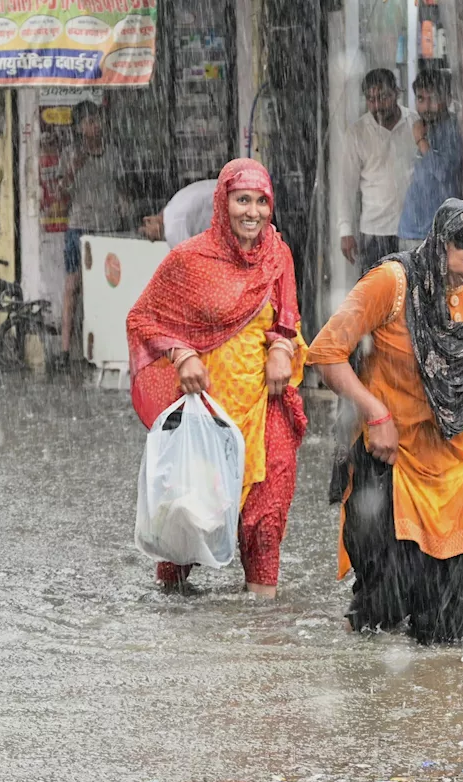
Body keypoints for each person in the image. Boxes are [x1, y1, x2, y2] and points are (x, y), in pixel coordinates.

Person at [308, 199, 463, 644]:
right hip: (393, 460)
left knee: (454, 628)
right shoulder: (392, 282)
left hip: (455, 461)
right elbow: (325, 353)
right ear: (443, 243)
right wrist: (374, 412)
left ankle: (447, 711)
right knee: (382, 615)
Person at [126, 159, 308, 599]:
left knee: (265, 524)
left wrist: (284, 350)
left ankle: (261, 644)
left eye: (262, 201)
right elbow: (142, 317)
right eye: (242, 199)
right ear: (221, 203)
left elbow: (287, 320)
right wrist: (182, 353)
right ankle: (180, 637)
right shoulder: (190, 259)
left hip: (265, 407)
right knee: (187, 523)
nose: (253, 211)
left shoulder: (277, 255)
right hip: (207, 414)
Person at [58, 101, 127, 368]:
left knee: (105, 288)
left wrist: (124, 208)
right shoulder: (70, 154)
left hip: (107, 227)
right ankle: (65, 351)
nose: (94, 126)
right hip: (79, 226)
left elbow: (120, 186)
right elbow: (62, 192)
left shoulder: (112, 153)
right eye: (88, 122)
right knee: (72, 287)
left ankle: (100, 349)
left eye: (97, 120)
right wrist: (75, 164)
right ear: (78, 127)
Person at [338, 69, 418, 275]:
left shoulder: (415, 123)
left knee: (410, 298)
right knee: (375, 299)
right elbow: (346, 186)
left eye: (383, 97)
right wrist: (345, 231)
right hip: (374, 233)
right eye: (371, 99)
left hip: (412, 230)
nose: (378, 105)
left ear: (397, 94)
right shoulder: (357, 133)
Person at [397, 70, 463, 254]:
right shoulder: (421, 125)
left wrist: (421, 141)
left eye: (433, 99)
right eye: (420, 99)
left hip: (438, 233)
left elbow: (443, 171)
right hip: (411, 229)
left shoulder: (452, 129)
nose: (426, 107)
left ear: (448, 99)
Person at [139, 178, 218, 246]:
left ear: (148, 220)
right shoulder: (175, 202)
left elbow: (188, 257)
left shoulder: (172, 230)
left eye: (146, 234)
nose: (152, 241)